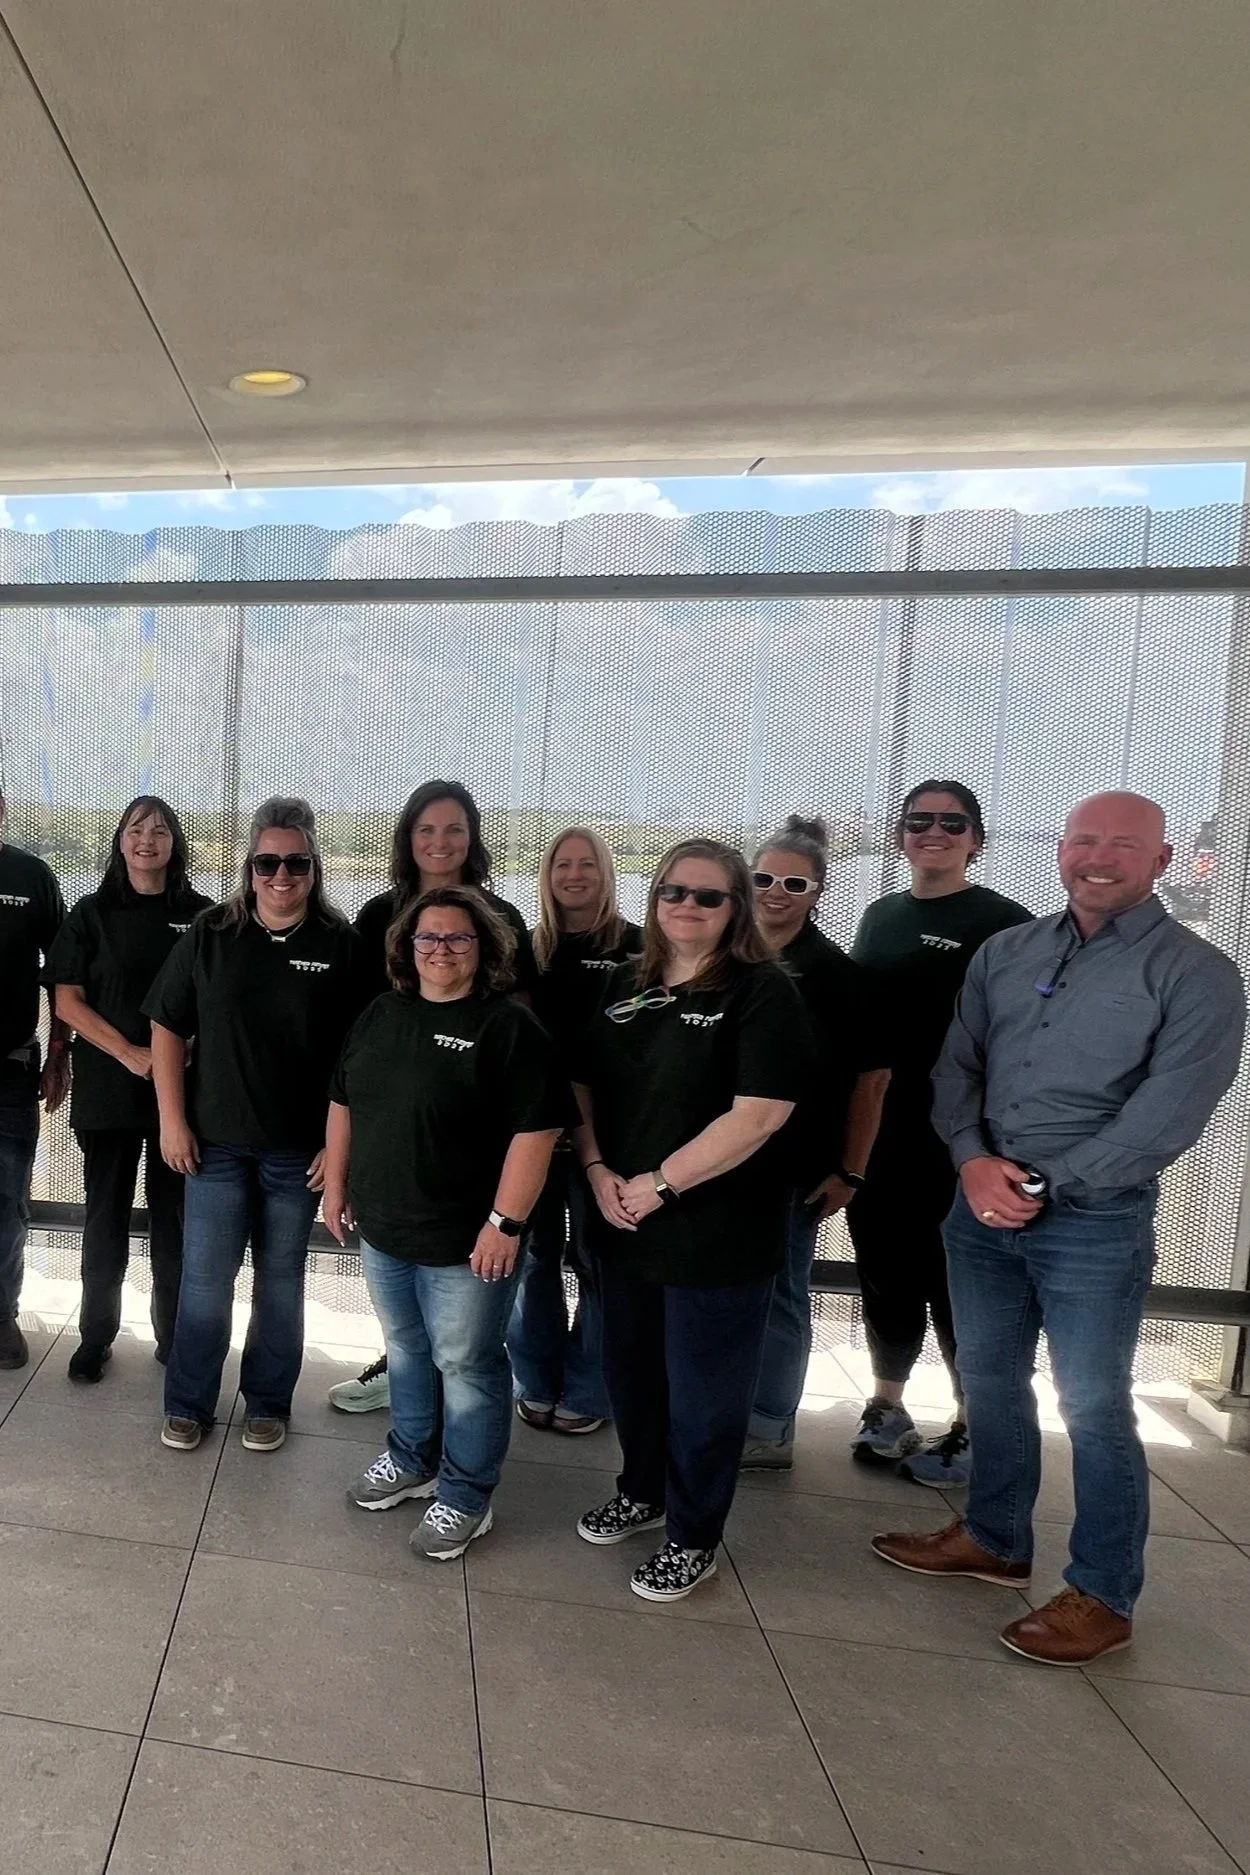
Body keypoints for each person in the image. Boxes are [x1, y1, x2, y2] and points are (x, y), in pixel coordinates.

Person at [873, 791, 1246, 1666]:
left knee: (1095, 1407)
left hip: (1096, 1221)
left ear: (1161, 861)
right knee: (991, 1382)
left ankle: (1103, 1593)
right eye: (1084, 839)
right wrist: (971, 1159)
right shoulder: (1008, 952)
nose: (1099, 856)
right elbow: (956, 1065)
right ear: (1060, 850)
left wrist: (1044, 1181)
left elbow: (1173, 1111)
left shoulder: (1197, 972)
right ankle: (997, 1540)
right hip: (979, 1208)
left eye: (1124, 844)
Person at [571, 839, 812, 1603]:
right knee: (631, 1374)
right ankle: (642, 1491)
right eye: (674, 891)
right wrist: (599, 1170)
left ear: (736, 906)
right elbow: (579, 1083)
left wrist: (659, 1185)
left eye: (708, 896)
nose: (687, 906)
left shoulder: (762, 992)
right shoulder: (622, 981)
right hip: (620, 1216)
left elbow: (761, 1114)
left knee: (705, 1393)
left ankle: (693, 1534)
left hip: (714, 1231)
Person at [323, 887, 570, 1560]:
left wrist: (506, 1223)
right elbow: (343, 1099)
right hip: (385, 1229)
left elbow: (538, 1131)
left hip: (468, 1241)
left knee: (467, 1364)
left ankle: (465, 1493)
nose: (440, 949)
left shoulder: (507, 1028)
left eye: (457, 938)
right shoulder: (380, 1013)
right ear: (406, 947)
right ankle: (411, 1458)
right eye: (427, 938)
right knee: (405, 1349)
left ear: (483, 948)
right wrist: (337, 1184)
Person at [144, 798, 365, 1453]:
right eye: (267, 861)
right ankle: (189, 1403)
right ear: (249, 866)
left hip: (297, 1153)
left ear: (313, 865)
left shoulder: (341, 945)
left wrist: (337, 1148)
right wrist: (172, 1120)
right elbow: (165, 1026)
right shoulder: (211, 933)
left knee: (281, 1281)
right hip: (214, 1146)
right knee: (205, 1280)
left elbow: (359, 1059)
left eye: (295, 861)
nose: (281, 874)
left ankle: (268, 1401)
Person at [329, 778, 538, 1415]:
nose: (440, 842)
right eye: (426, 829)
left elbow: (521, 1032)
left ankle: (473, 1417)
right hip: (392, 1123)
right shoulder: (377, 914)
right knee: (403, 1304)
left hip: (469, 1134)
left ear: (472, 839)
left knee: (467, 1333)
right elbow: (355, 1032)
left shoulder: (502, 918)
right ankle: (404, 1384)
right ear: (408, 839)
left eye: (453, 829)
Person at [848, 782, 1032, 1484]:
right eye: (919, 820)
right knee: (885, 1270)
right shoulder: (880, 915)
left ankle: (970, 1425)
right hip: (881, 1129)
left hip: (962, 1138)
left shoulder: (1004, 921)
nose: (934, 832)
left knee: (961, 1281)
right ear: (900, 835)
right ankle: (887, 1406)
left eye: (951, 822)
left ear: (976, 840)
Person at [740, 815, 892, 1470]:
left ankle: (770, 1427)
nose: (776, 891)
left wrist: (851, 1172)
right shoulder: (722, 959)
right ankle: (720, 1410)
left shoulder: (839, 977)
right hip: (713, 1167)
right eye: (763, 877)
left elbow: (872, 1082)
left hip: (792, 1169)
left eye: (793, 881)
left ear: (818, 891)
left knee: (780, 1294)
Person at [45, 797, 211, 1380]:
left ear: (175, 844)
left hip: (183, 1103)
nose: (148, 840)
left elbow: (218, 1000)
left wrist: (183, 1053)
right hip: (110, 1095)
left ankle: (173, 1339)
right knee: (105, 1222)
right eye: (137, 830)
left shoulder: (202, 914)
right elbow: (66, 1000)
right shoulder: (91, 914)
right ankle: (96, 1337)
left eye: (161, 830)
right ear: (120, 842)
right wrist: (130, 1053)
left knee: (175, 1228)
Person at [507, 826, 641, 1436]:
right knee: (532, 1257)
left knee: (598, 1260)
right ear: (547, 875)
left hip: (608, 1138)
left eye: (588, 864)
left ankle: (590, 1387)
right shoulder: (529, 951)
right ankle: (536, 1378)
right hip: (536, 1132)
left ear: (606, 873)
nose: (575, 875)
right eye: (563, 864)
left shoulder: (641, 949)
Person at [0, 788, 68, 1369]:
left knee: (6, 1204)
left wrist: (60, 1054)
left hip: (11, 1069)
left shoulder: (31, 876)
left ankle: (1, 1318)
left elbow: (64, 974)